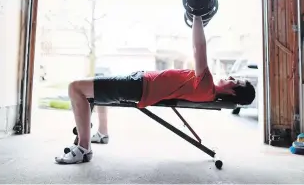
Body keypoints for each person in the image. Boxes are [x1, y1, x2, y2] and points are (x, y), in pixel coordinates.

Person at [55, 15, 255, 164]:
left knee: (75, 88)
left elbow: (199, 47)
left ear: (231, 93)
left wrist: (197, 15)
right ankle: (102, 133)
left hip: (138, 87)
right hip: (139, 81)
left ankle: (83, 148)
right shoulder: (207, 87)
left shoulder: (206, 85)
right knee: (96, 83)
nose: (230, 77)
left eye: (234, 82)